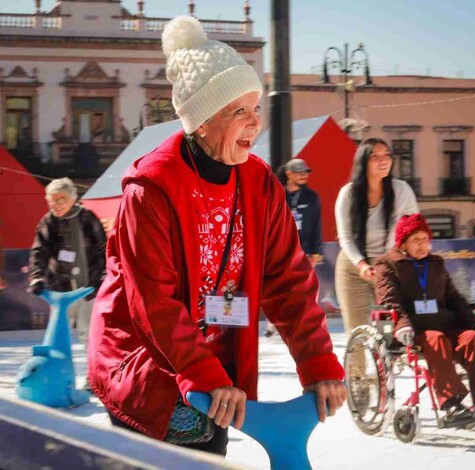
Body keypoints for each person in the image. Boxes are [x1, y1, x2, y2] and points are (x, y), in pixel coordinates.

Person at [87, 16, 346, 457]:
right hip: (144, 357)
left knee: (211, 443)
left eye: (256, 107)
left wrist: (317, 361)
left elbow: (286, 277)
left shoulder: (260, 181)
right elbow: (153, 300)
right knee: (189, 445)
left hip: (211, 358)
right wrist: (200, 371)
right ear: (201, 121)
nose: (255, 123)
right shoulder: (151, 188)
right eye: (238, 111)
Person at [374, 214, 475, 422]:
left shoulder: (435, 264)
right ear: (403, 243)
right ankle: (450, 403)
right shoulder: (387, 265)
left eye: (426, 239)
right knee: (436, 339)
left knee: (472, 338)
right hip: (413, 329)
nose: (423, 245)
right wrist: (402, 324)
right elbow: (389, 300)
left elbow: (454, 299)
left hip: (444, 324)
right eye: (416, 240)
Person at [334, 138, 418, 335]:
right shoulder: (348, 194)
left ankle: (387, 366)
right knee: (357, 332)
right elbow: (345, 237)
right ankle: (357, 367)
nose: (384, 160)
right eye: (375, 157)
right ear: (363, 162)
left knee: (394, 330)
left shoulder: (402, 190)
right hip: (354, 268)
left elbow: (414, 228)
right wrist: (361, 264)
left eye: (387, 155)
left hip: (389, 266)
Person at [28, 177, 107, 363]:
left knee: (88, 333)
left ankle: (93, 377)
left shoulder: (87, 217)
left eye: (61, 199)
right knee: (56, 332)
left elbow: (104, 248)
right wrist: (37, 277)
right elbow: (39, 251)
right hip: (61, 289)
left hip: (89, 287)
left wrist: (104, 275)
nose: (56, 204)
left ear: (73, 198)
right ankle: (57, 374)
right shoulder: (48, 222)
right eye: (52, 200)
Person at [265, 158, 323, 337]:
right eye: (299, 172)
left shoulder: (311, 197)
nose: (304, 176)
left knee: (303, 288)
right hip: (278, 249)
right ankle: (271, 322)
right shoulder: (277, 193)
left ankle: (302, 323)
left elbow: (316, 225)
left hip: (303, 250)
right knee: (276, 286)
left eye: (306, 172)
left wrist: (316, 252)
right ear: (289, 174)